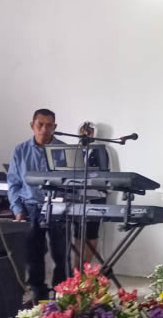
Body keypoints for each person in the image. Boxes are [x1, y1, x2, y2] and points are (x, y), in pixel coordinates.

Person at [7, 109, 67, 301]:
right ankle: (38, 295)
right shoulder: (20, 150)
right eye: (40, 124)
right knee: (33, 254)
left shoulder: (65, 151)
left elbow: (74, 183)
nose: (44, 129)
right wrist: (17, 209)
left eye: (49, 125)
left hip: (58, 208)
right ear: (32, 125)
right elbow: (13, 183)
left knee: (61, 254)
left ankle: (62, 294)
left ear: (55, 127)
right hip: (30, 207)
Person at [73, 121, 105, 267]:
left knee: (92, 232)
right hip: (77, 196)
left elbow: (107, 174)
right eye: (83, 132)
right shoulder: (75, 151)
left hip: (96, 196)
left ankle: (86, 269)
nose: (85, 135)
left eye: (89, 132)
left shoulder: (101, 151)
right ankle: (76, 269)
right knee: (78, 233)